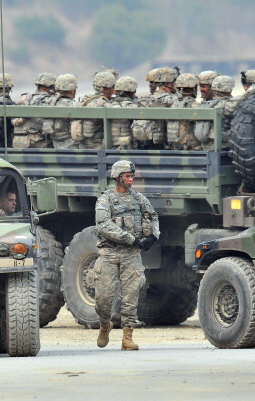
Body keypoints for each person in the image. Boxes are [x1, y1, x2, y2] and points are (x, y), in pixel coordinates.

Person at [94, 160, 159, 351]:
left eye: (132, 176)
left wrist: (154, 236)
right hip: (109, 254)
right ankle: (105, 324)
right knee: (103, 298)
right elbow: (104, 225)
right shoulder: (105, 200)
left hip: (131, 255)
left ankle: (127, 336)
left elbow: (152, 216)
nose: (130, 180)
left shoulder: (139, 199)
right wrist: (131, 238)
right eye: (127, 176)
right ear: (117, 178)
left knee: (131, 296)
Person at [132, 66, 180, 149]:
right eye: (175, 82)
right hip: (163, 146)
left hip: (143, 145)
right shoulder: (173, 100)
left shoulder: (145, 99)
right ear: (169, 83)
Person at [72, 71, 116, 149]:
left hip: (83, 147)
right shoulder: (105, 104)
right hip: (99, 148)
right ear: (107, 89)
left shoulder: (86, 100)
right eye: (113, 87)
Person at [12, 72, 57, 148]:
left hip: (18, 143)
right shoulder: (49, 101)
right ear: (49, 87)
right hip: (38, 145)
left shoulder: (23, 98)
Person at [195, 75, 240, 150]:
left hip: (206, 148)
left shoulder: (204, 104)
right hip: (223, 147)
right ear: (229, 89)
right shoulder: (226, 105)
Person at [42, 73, 79, 149]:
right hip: (72, 146)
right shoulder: (74, 105)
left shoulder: (49, 102)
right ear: (72, 90)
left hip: (54, 144)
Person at [167, 73, 202, 150]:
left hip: (174, 147)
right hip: (192, 148)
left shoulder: (173, 105)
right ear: (194, 88)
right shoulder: (196, 106)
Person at [106, 76, 140, 149]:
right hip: (127, 148)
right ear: (133, 91)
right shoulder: (135, 107)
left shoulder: (108, 105)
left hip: (109, 147)